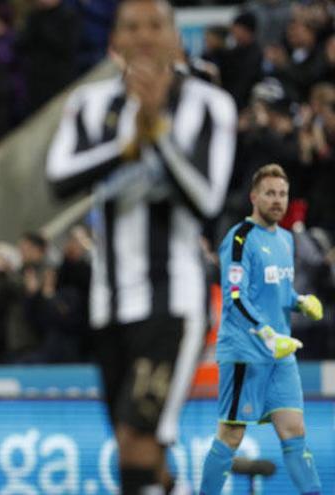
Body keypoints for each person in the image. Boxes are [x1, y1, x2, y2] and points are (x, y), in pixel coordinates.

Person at [46, 0, 237, 493]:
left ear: (176, 36)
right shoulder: (89, 105)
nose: (145, 34)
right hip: (109, 304)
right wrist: (128, 144)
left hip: (172, 303)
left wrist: (161, 132)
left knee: (137, 442)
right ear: (116, 40)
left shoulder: (208, 104)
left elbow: (207, 197)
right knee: (144, 457)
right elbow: (59, 178)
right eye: (132, 25)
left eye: (156, 24)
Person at [200, 164, 323, 495]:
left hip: (281, 353)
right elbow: (235, 298)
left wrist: (300, 301)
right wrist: (268, 336)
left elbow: (279, 291)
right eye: (270, 193)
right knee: (231, 435)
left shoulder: (286, 240)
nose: (277, 200)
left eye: (282, 194)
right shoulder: (239, 238)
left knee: (294, 431)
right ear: (254, 197)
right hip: (246, 351)